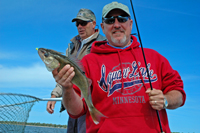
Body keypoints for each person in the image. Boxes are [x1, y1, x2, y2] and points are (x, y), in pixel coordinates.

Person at [52, 2, 186, 133]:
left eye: (122, 19)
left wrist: (166, 100)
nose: (116, 25)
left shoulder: (155, 57)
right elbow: (76, 111)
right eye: (110, 21)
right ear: (103, 27)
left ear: (130, 24)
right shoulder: (88, 61)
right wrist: (67, 88)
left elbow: (178, 94)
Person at [46, 8, 106, 133]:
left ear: (94, 23)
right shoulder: (72, 46)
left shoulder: (103, 44)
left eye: (83, 23)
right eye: (77, 23)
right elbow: (63, 74)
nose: (80, 26)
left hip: (90, 105)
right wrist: (54, 95)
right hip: (72, 103)